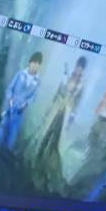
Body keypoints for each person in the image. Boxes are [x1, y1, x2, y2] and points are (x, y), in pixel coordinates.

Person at [31, 56, 87, 190]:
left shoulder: (81, 85)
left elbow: (77, 103)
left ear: (83, 70)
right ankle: (36, 162)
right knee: (46, 136)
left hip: (65, 116)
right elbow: (58, 92)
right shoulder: (68, 77)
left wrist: (71, 117)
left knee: (55, 143)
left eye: (81, 68)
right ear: (76, 66)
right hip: (56, 111)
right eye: (78, 67)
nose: (79, 70)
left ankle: (46, 169)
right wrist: (52, 106)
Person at [0, 52, 42, 153]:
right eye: (33, 62)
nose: (35, 65)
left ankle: (4, 158)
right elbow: (10, 89)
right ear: (30, 62)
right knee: (0, 134)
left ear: (39, 66)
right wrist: (10, 99)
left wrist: (26, 103)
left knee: (11, 139)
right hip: (10, 108)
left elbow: (34, 97)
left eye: (37, 64)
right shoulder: (20, 74)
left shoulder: (38, 81)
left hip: (20, 113)